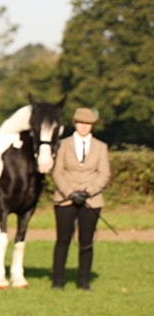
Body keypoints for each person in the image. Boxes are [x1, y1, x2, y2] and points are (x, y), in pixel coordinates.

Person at [51, 106, 110, 291]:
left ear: (92, 126)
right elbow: (57, 172)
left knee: (86, 241)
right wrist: (70, 193)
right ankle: (58, 281)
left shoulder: (101, 147)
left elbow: (104, 173)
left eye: (88, 124)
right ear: (75, 124)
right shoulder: (63, 144)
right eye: (81, 123)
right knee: (63, 240)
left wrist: (88, 191)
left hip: (91, 200)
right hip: (65, 199)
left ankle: (83, 281)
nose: (84, 127)